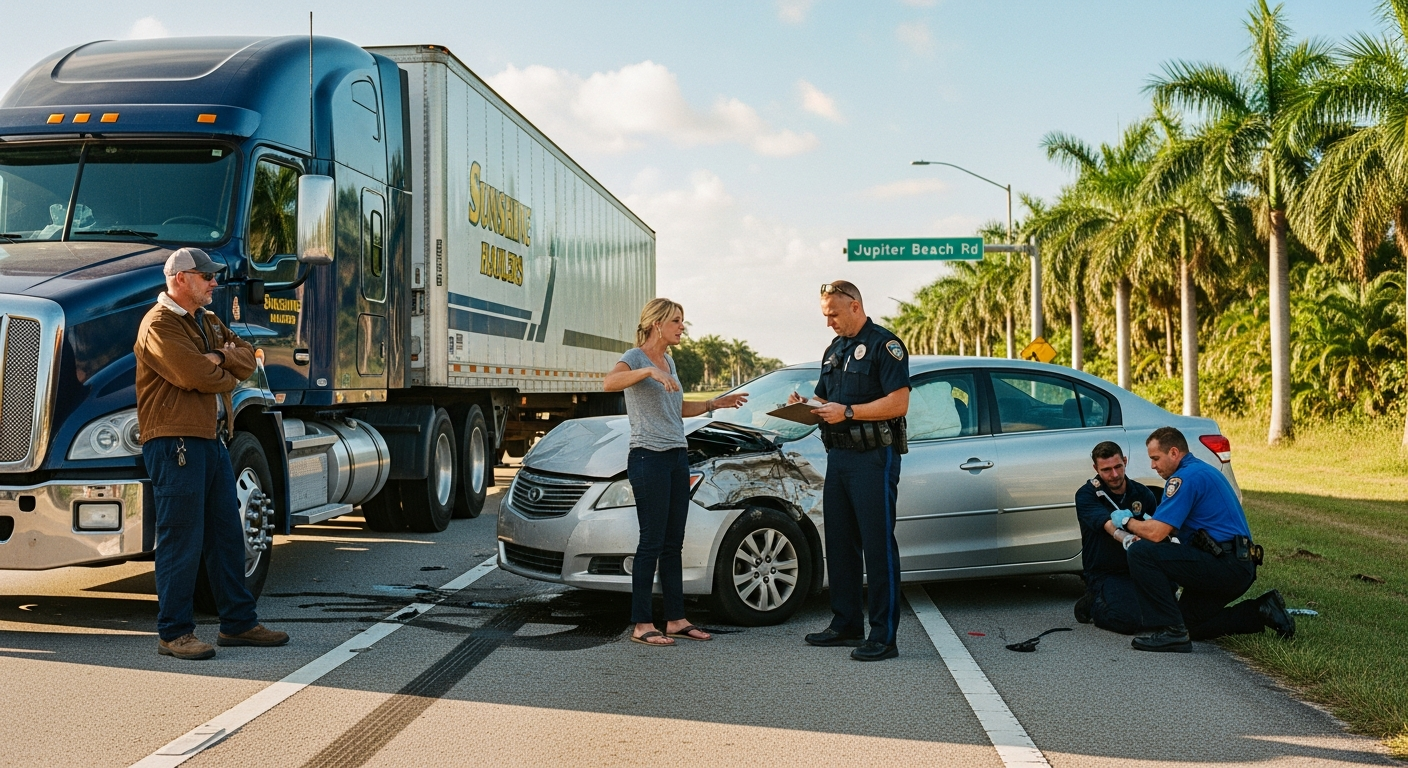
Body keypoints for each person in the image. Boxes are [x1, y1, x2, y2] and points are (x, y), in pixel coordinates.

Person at [135, 248, 289, 660]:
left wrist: (218, 356)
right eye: (206, 277)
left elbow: (248, 358)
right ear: (181, 279)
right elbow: (192, 374)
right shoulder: (159, 325)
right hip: (175, 443)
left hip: (211, 438)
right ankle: (174, 633)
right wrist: (216, 370)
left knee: (226, 535)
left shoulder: (208, 321)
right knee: (181, 538)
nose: (214, 283)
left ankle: (239, 624)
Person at [604, 298, 748, 647]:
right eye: (677, 321)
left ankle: (676, 619)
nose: (682, 327)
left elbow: (676, 407)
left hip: (675, 457)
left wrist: (715, 404)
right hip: (647, 458)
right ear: (657, 324)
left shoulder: (669, 360)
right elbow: (610, 383)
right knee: (651, 542)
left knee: (673, 544)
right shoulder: (636, 358)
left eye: (682, 321)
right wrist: (650, 372)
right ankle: (641, 623)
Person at [792, 281, 910, 662]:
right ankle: (845, 624)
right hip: (839, 457)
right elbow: (827, 398)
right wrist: (806, 405)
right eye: (825, 315)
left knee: (877, 545)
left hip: (875, 456)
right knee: (840, 543)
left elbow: (899, 402)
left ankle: (883, 636)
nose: (828, 322)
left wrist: (849, 412)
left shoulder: (884, 345)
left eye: (833, 314)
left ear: (855, 306)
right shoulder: (835, 349)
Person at [1115, 426, 1295, 652]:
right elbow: (1170, 529)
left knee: (1140, 553)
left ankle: (1171, 632)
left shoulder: (1183, 478)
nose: (1153, 466)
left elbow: (1156, 533)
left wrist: (1125, 522)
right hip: (1237, 564)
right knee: (1191, 626)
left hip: (1225, 564)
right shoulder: (1200, 471)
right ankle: (1261, 610)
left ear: (1173, 452)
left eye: (1155, 458)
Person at [1073, 441, 1159, 634]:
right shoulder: (1087, 494)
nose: (1114, 475)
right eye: (1106, 470)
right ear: (1096, 468)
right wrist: (1127, 538)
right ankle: (1091, 604)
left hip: (1138, 568)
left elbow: (1156, 525)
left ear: (1125, 461)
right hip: (1106, 572)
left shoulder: (1142, 493)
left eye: (1118, 466)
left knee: (1164, 617)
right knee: (1128, 621)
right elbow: (1107, 524)